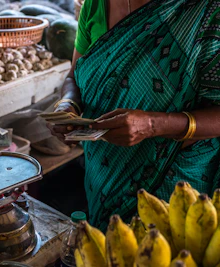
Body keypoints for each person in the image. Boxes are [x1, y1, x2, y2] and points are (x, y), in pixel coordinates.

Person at [49, 0, 220, 230]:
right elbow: (74, 76)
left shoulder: (207, 12)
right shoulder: (95, 5)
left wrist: (152, 125)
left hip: (173, 184)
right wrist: (68, 105)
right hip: (103, 177)